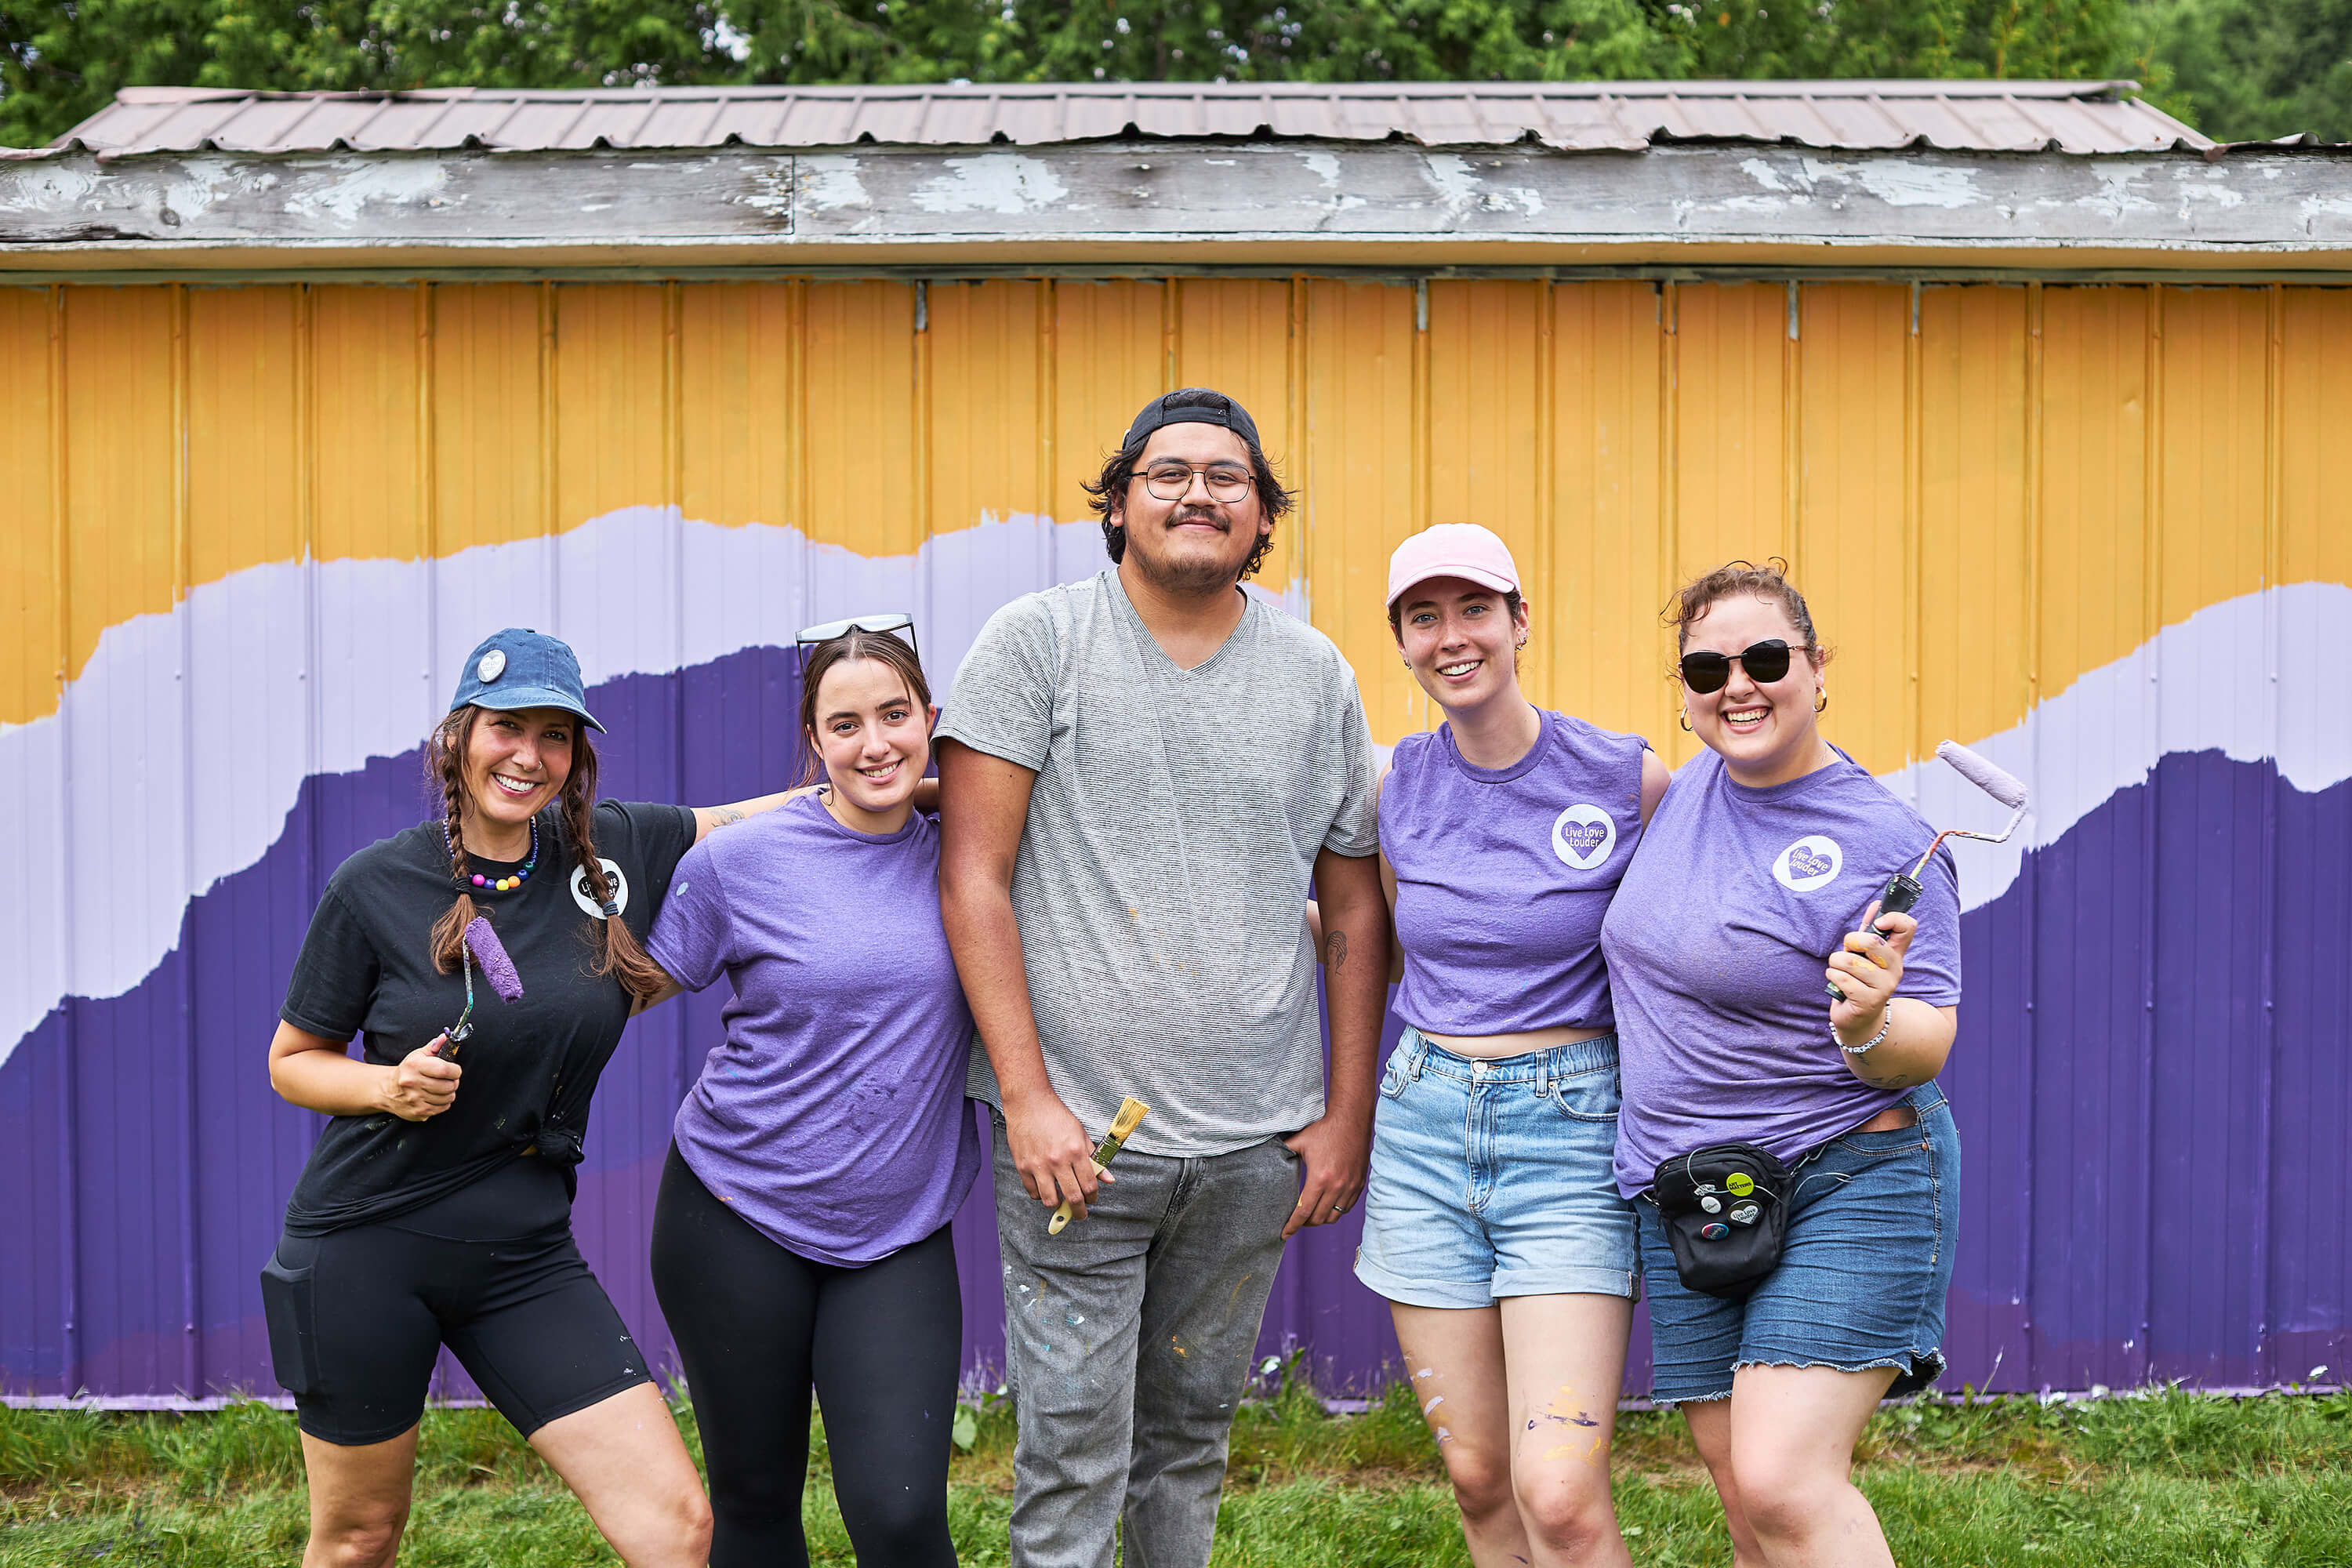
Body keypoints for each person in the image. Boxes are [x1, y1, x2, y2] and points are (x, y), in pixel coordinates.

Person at [935, 387, 1389, 1568]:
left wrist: (1348, 1116)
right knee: (1074, 1441)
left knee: (1188, 1437)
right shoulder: (1037, 644)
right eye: (1169, 473)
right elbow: (973, 878)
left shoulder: (1315, 675)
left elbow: (1351, 907)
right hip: (1081, 1137)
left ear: (1261, 515)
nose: (1200, 494)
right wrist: (1029, 1099)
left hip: (1254, 1145)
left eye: (1228, 478)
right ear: (1121, 502)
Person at [263, 626, 800, 1568]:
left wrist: (924, 782)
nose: (529, 755)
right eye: (508, 727)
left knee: (677, 1526)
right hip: (364, 1246)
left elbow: (768, 817)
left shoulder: (608, 853)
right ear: (460, 738)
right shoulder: (375, 886)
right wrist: (388, 1084)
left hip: (522, 1252)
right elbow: (294, 1059)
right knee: (357, 1538)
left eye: (556, 736)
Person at [1599, 561, 1963, 1568]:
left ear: (1816, 669)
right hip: (1689, 1188)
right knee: (1743, 1493)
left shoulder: (1884, 836)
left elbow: (1924, 1044)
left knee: (1783, 1478)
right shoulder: (1682, 793)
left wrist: (1868, 1020)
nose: (1737, 685)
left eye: (1765, 658)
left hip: (1848, 1170)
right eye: (1707, 667)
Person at [1348, 524, 1668, 1568]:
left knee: (1560, 1492)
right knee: (1483, 1480)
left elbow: (1692, 932)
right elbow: (1382, 947)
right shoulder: (1398, 790)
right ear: (1400, 641)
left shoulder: (1626, 779)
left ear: (1520, 621)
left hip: (1569, 1133)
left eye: (1474, 609)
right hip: (1425, 1124)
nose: (1452, 638)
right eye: (1423, 617)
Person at [645, 622, 978, 1568]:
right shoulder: (741, 861)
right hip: (732, 1210)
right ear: (815, 737)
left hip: (897, 1228)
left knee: (902, 1512)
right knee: (754, 1500)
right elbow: (626, 990)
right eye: (846, 723)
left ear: (929, 720)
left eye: (894, 714)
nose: (874, 742)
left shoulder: (972, 852)